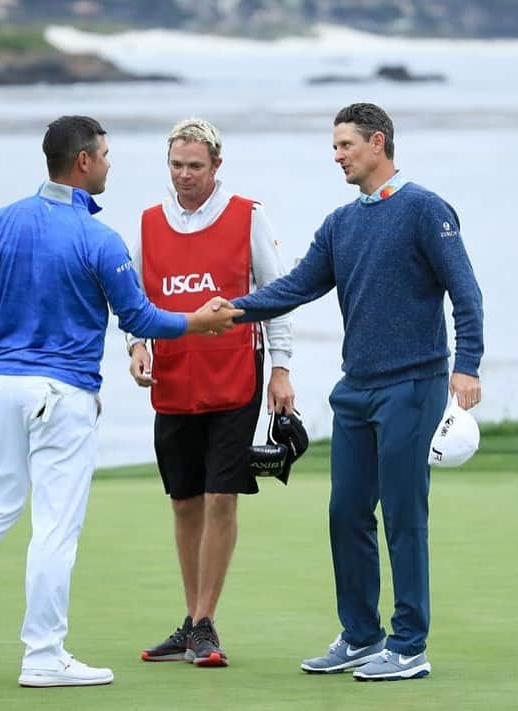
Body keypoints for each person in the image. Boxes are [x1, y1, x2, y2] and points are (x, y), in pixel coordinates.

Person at [0, 115, 242, 688]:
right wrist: (199, 322)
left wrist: (6, 328)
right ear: (83, 162)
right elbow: (139, 318)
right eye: (104, 155)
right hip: (63, 395)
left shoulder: (3, 220)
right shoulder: (97, 239)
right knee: (54, 526)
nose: (109, 163)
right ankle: (43, 656)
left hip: (4, 387)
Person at [231, 103, 484, 681]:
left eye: (345, 145)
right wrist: (234, 309)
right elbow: (296, 285)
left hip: (413, 385)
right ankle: (363, 635)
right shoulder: (341, 223)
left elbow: (466, 296)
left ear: (377, 143)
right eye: (335, 147)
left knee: (402, 515)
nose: (337, 156)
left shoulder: (425, 209)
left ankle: (410, 645)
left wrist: (466, 366)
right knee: (346, 512)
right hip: (357, 391)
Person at [127, 118, 294, 667]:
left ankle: (204, 623)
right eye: (176, 165)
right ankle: (190, 620)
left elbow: (275, 294)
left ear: (216, 166)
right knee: (184, 500)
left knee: (222, 494)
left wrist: (281, 368)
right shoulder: (150, 223)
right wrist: (136, 345)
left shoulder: (247, 214)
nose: (185, 176)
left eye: (195, 166)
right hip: (174, 378)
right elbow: (134, 298)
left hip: (235, 375)